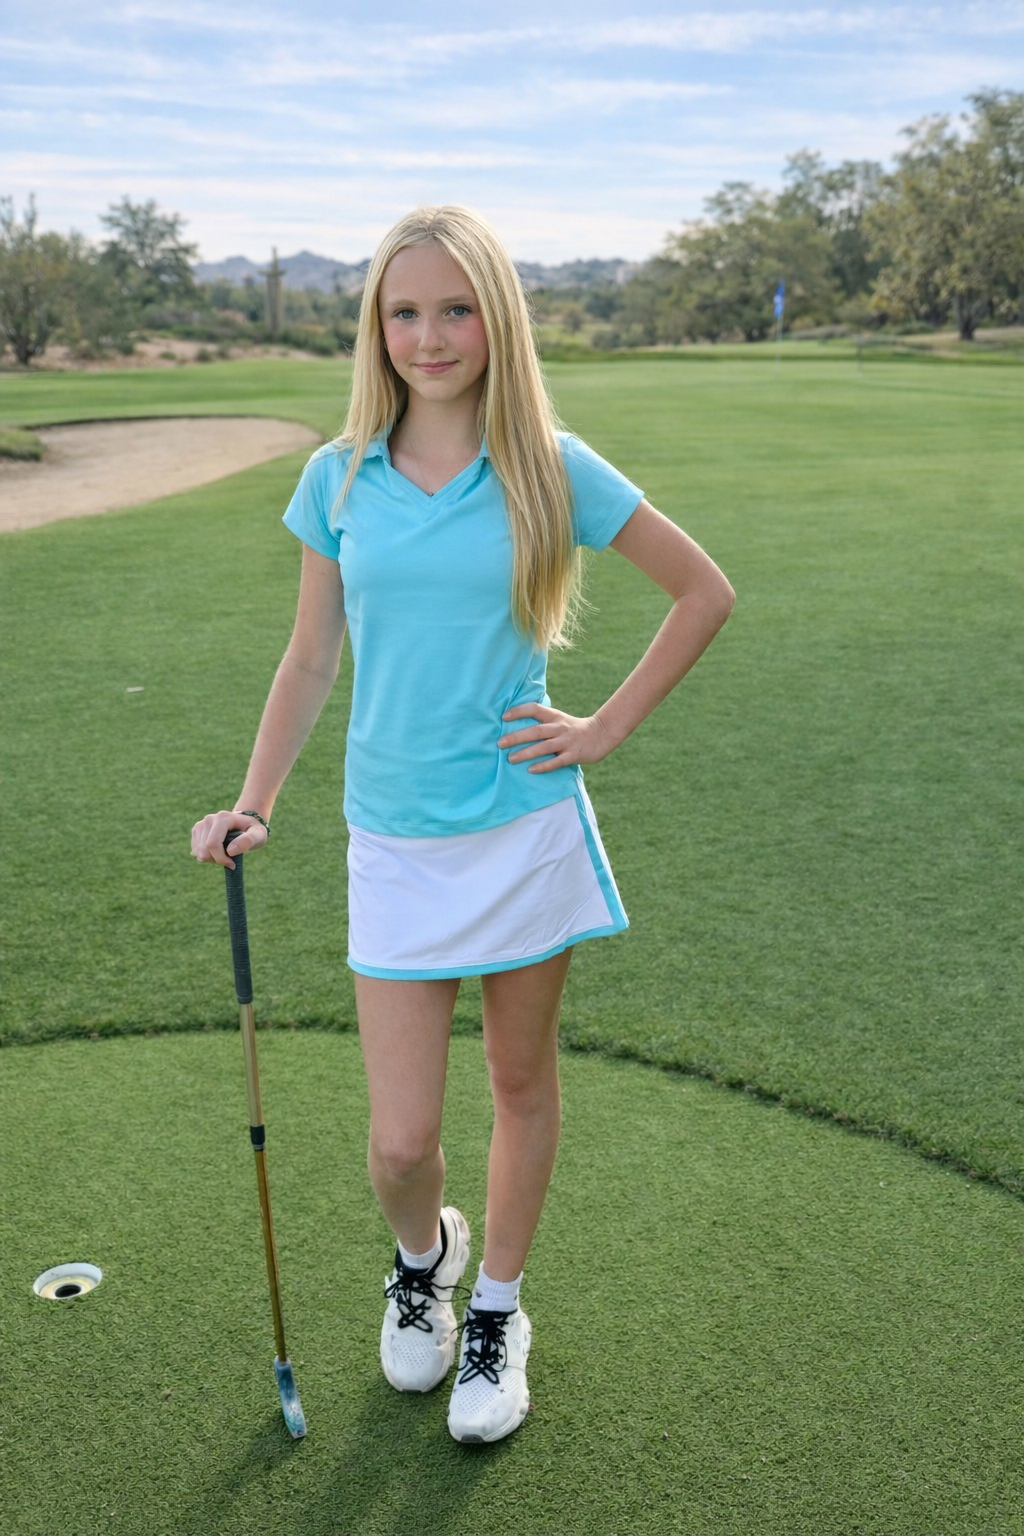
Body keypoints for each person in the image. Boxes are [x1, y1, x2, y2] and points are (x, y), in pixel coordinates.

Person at [191, 204, 734, 1445]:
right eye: (403, 311)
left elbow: (703, 591)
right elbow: (310, 657)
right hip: (392, 838)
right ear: (374, 327)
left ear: (496, 319)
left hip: (520, 826)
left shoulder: (550, 463)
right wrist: (254, 801)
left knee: (519, 1082)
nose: (428, 336)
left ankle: (496, 1308)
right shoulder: (337, 477)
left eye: (454, 309)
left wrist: (601, 729)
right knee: (399, 1145)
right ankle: (425, 1257)